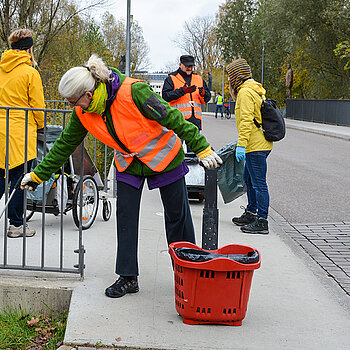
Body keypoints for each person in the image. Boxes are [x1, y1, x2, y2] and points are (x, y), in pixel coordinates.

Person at [20, 54, 222, 298]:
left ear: (88, 94)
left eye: (75, 101)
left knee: (177, 217)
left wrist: (201, 146)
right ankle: (128, 277)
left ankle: (188, 275)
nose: (74, 106)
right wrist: (38, 175)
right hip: (129, 164)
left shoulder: (134, 92)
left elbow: (172, 117)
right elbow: (64, 145)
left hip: (164, 158)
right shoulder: (83, 113)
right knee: (125, 218)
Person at [0, 28, 45, 238]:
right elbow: (38, 106)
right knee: (20, 180)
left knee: (0, 177)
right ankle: (16, 225)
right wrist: (42, 125)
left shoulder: (1, 67)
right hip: (20, 134)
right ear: (29, 48)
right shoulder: (30, 72)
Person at [227, 58, 273, 235]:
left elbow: (246, 121)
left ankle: (262, 220)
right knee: (249, 179)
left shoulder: (246, 92)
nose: (230, 80)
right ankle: (251, 212)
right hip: (258, 143)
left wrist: (241, 145)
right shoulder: (255, 89)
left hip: (255, 145)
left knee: (259, 183)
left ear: (237, 75)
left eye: (231, 76)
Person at [162, 55, 211, 132]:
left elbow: (206, 100)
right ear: (180, 64)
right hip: (177, 122)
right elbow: (166, 97)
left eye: (191, 66)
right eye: (187, 66)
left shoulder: (199, 79)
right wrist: (182, 91)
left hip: (195, 122)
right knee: (177, 144)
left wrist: (203, 94)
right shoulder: (171, 78)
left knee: (195, 144)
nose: (190, 68)